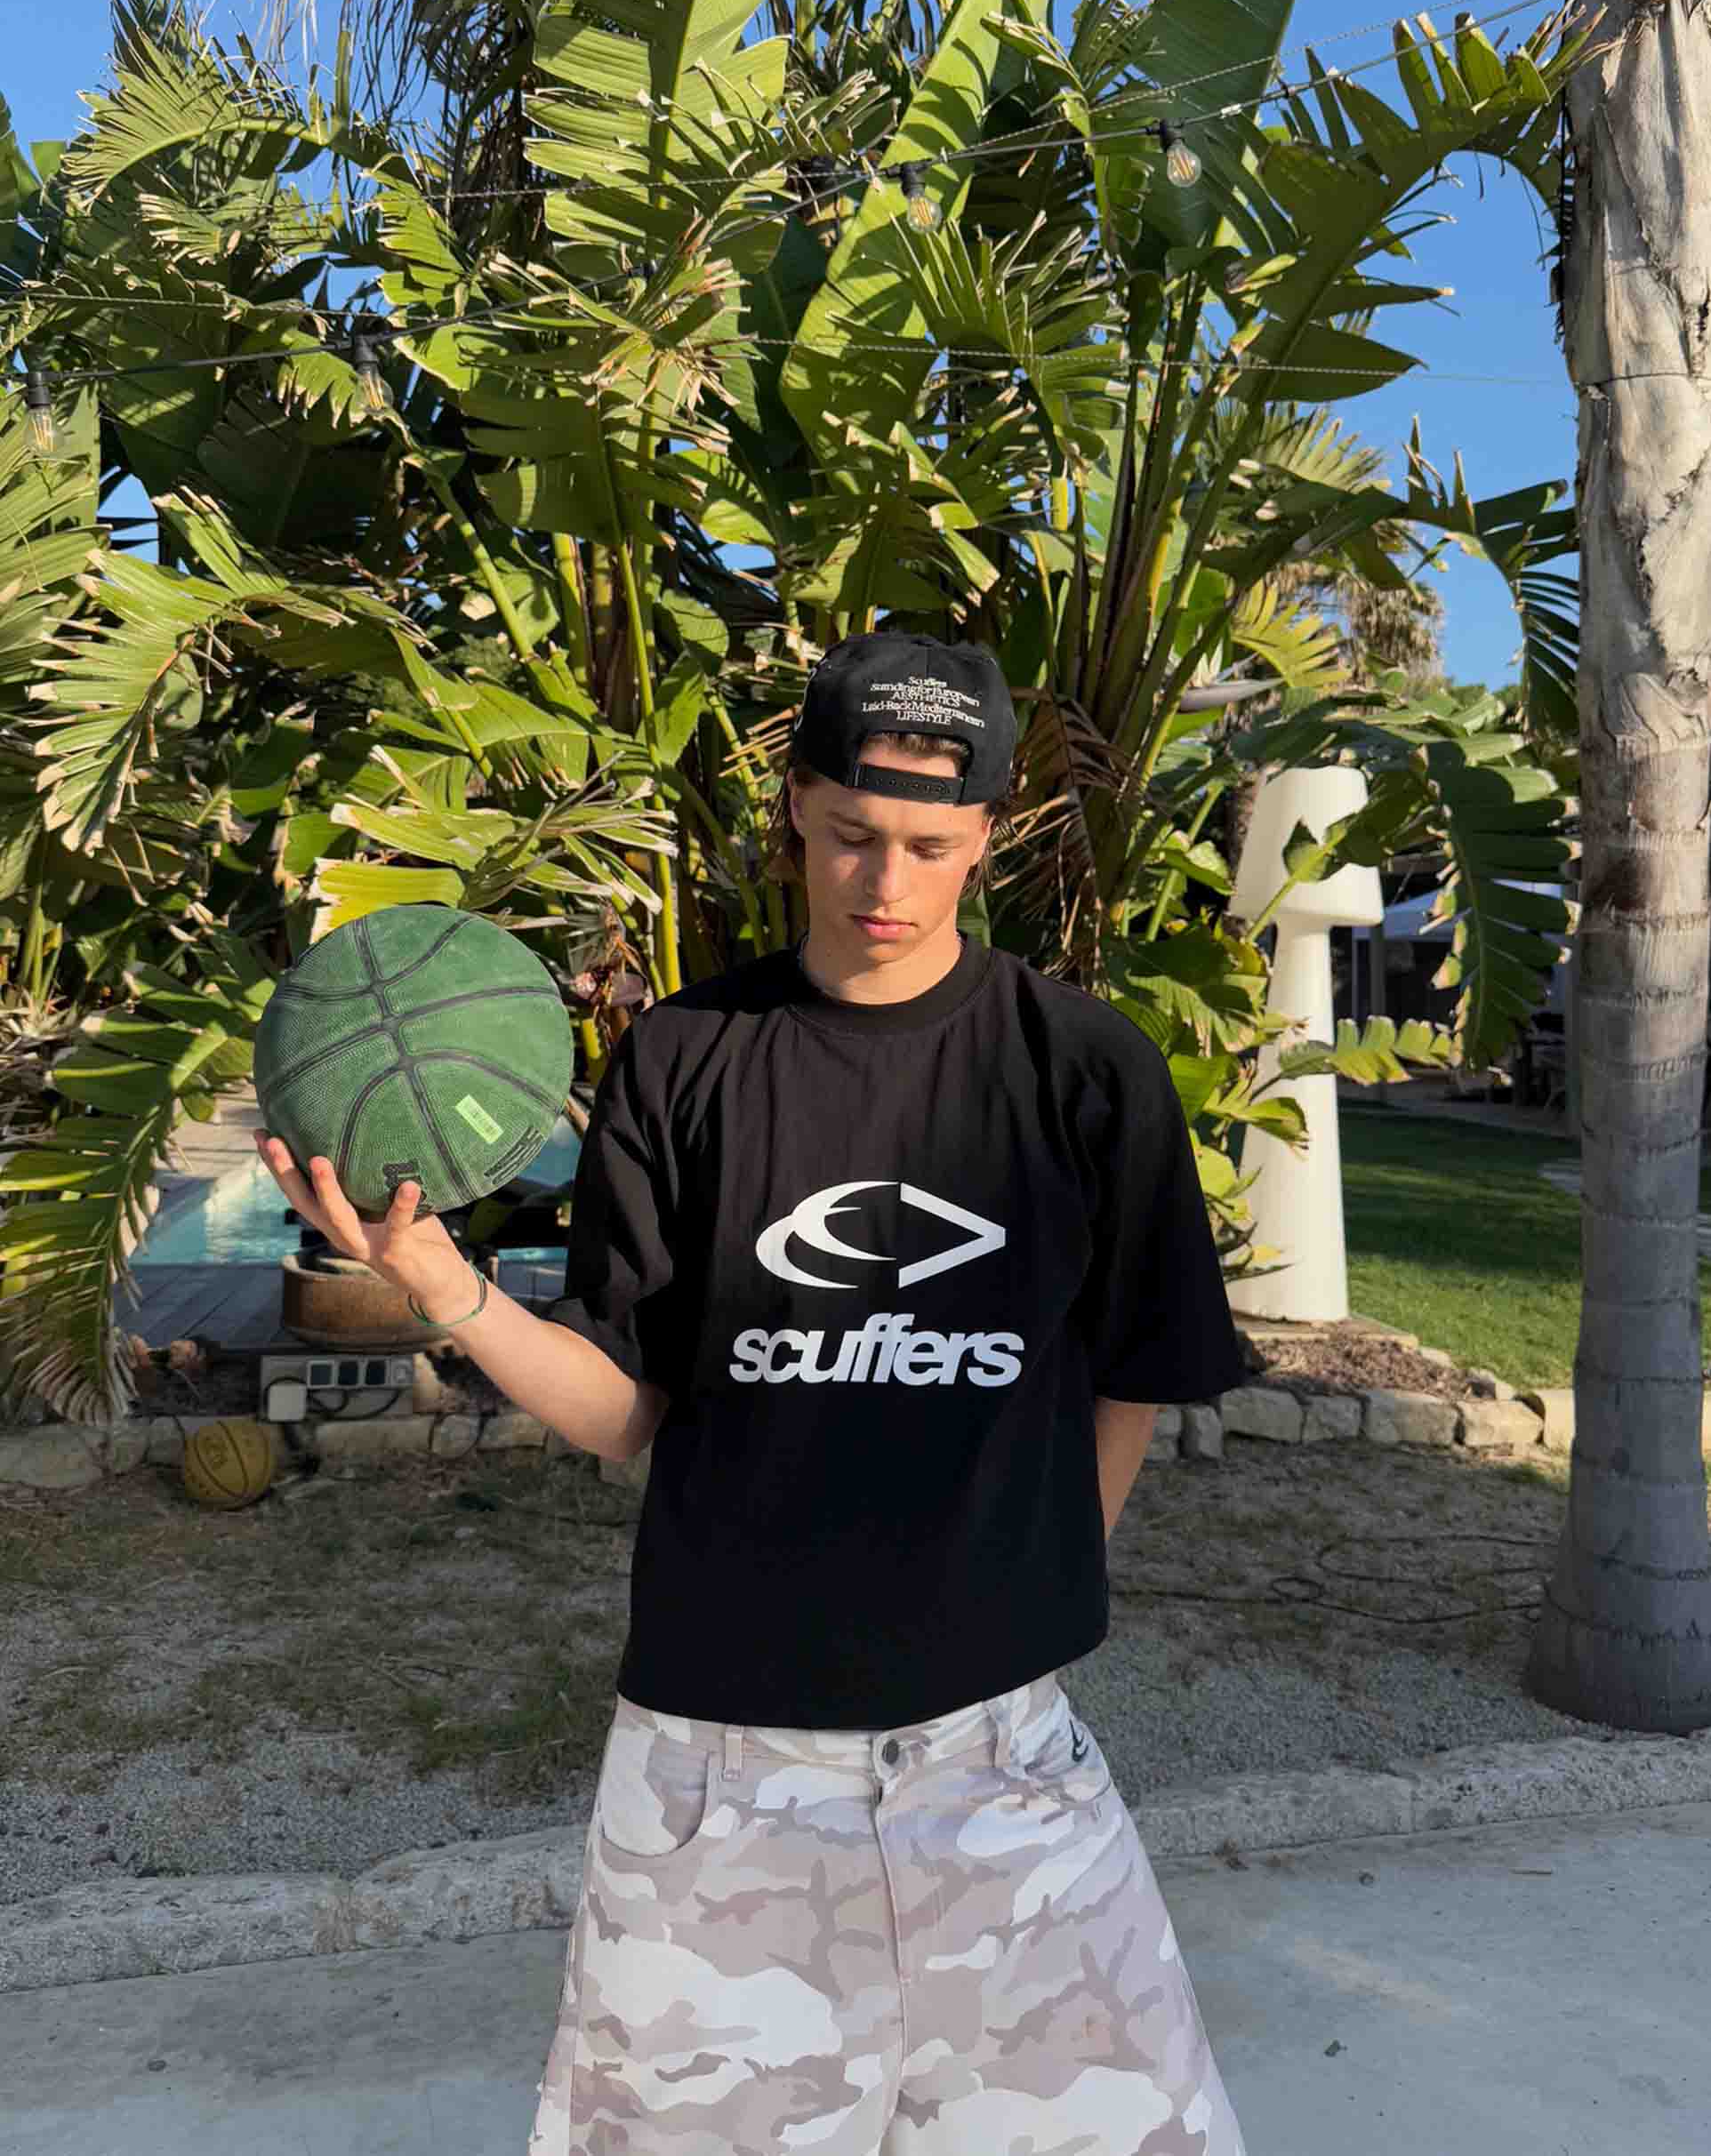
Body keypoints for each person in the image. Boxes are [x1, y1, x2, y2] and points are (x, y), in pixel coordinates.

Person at [255, 629, 1250, 2154]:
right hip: (719, 1780)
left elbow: (1138, 1368)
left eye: (929, 843)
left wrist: (1039, 1571)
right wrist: (444, 1289)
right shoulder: (686, 1057)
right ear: (795, 805)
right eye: (851, 832)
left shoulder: (1086, 1070)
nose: (885, 880)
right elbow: (624, 1409)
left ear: (987, 833)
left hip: (1004, 1771)